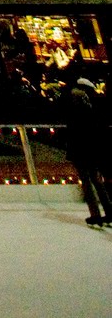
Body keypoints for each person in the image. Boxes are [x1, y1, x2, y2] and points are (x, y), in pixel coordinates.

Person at [64, 77, 111, 227]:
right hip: (93, 149)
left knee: (86, 181)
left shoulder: (74, 109)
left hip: (80, 149)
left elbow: (72, 132)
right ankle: (109, 211)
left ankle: (95, 214)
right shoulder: (92, 107)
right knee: (97, 180)